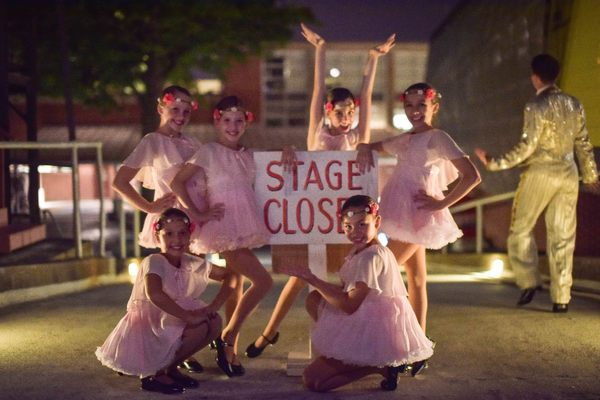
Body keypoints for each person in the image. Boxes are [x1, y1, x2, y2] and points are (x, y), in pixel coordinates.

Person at [244, 23, 396, 359]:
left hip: (347, 219)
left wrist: (373, 59)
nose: (345, 118)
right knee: (300, 278)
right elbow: (317, 89)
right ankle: (269, 333)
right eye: (339, 112)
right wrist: (320, 49)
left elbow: (367, 95)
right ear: (328, 112)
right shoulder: (317, 133)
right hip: (315, 213)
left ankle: (345, 339)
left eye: (350, 114)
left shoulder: (358, 137)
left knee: (345, 281)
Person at [356, 82, 481, 371]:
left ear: (433, 108)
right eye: (409, 105)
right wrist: (364, 146)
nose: (414, 111)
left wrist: (441, 204)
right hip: (400, 211)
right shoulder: (406, 138)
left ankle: (399, 342)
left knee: (384, 275)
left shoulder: (438, 137)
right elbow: (373, 146)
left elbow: (471, 176)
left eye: (421, 105)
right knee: (417, 278)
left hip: (420, 215)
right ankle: (419, 347)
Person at [475, 54, 599, 313]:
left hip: (540, 173)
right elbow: (583, 142)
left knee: (520, 228)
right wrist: (590, 175)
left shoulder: (536, 105)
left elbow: (527, 146)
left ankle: (529, 281)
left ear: (535, 76)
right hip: (567, 173)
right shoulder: (574, 103)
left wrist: (494, 162)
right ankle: (561, 297)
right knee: (563, 235)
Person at [279, 195, 434, 392]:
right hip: (362, 318)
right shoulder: (361, 250)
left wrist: (313, 279)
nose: (355, 232)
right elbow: (345, 291)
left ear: (377, 222)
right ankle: (349, 359)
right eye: (348, 227)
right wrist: (309, 278)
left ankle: (379, 366)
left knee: (313, 381)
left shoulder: (371, 258)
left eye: (362, 224)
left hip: (371, 329)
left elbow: (350, 305)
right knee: (314, 299)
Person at [170, 95, 273, 377]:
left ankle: (230, 349)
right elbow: (177, 181)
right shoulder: (209, 151)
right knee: (263, 281)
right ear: (217, 121)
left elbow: (271, 168)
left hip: (244, 225)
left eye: (239, 120)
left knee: (235, 282)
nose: (233, 125)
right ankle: (227, 334)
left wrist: (287, 150)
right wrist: (198, 213)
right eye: (227, 120)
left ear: (246, 123)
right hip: (224, 226)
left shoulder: (247, 154)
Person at [111, 85, 210, 373]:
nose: (180, 116)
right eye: (174, 110)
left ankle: (183, 346)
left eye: (186, 111)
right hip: (170, 225)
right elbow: (120, 181)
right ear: (160, 108)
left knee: (189, 287)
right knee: (167, 290)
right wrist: (150, 208)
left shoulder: (192, 143)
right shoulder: (152, 142)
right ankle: (156, 352)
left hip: (193, 222)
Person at [95, 208, 236, 394]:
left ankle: (171, 368)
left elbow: (230, 276)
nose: (176, 240)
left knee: (214, 321)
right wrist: (188, 316)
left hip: (172, 315)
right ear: (157, 235)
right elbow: (155, 294)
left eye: (182, 233)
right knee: (199, 327)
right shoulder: (155, 261)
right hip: (153, 321)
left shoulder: (189, 261)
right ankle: (152, 374)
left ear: (189, 235)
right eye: (168, 234)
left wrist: (214, 305)